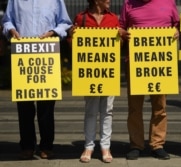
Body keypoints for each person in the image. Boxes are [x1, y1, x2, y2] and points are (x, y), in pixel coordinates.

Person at [1, 0, 72, 160]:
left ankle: (46, 145)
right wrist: (11, 30)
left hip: (47, 54)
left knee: (46, 106)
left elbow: (65, 23)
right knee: (24, 105)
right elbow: (6, 20)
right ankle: (27, 145)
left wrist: (53, 32)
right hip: (23, 55)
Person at [119, 0, 180, 160]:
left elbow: (179, 25)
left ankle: (157, 144)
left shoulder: (168, 2)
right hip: (135, 63)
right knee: (134, 107)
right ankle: (136, 145)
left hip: (161, 63)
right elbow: (121, 27)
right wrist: (122, 33)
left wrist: (177, 32)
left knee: (160, 106)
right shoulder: (128, 3)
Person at [68, 0, 119, 163]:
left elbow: (119, 45)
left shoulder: (113, 19)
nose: (110, 1)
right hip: (90, 73)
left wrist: (122, 36)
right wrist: (72, 35)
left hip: (108, 72)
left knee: (107, 110)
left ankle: (105, 146)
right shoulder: (81, 17)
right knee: (91, 110)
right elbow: (74, 46)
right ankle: (88, 146)